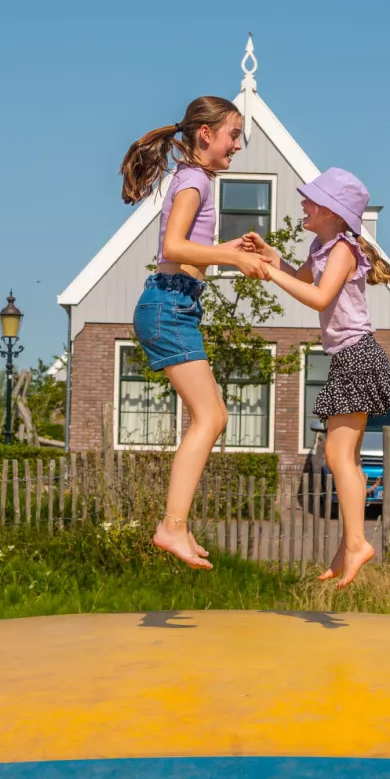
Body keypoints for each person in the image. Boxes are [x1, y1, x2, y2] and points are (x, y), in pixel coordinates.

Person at [241, 167, 390, 587]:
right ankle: (348, 545)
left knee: (337, 455)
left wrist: (270, 273)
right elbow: (300, 278)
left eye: (311, 200)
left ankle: (357, 543)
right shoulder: (321, 247)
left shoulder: (343, 250)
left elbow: (317, 297)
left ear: (333, 212)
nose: (303, 203)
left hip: (357, 355)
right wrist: (272, 257)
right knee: (346, 458)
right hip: (346, 357)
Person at [120, 97, 266, 569]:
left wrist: (228, 247)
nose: (237, 145)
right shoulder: (194, 180)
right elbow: (173, 246)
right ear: (207, 134)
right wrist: (232, 257)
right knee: (211, 417)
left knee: (213, 416)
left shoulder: (193, 178)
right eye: (233, 135)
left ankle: (176, 526)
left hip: (176, 304)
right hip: (169, 306)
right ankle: (172, 527)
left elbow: (189, 248)